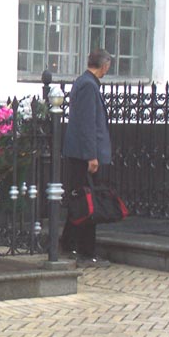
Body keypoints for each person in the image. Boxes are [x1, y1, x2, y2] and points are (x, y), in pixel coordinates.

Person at [60, 48, 113, 267]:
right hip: (85, 156)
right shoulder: (89, 86)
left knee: (80, 201)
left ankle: (69, 243)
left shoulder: (84, 83)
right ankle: (85, 250)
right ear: (105, 65)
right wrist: (92, 156)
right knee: (87, 203)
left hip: (80, 154)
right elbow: (88, 124)